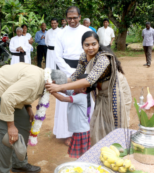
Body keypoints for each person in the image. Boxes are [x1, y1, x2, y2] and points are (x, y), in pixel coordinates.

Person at [0, 63, 67, 173]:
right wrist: (11, 126)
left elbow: (20, 91)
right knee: (4, 134)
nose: (57, 92)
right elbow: (8, 98)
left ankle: (19, 163)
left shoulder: (43, 77)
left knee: (25, 123)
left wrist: (28, 107)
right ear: (52, 82)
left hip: (6, 93)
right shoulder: (34, 81)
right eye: (58, 89)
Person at [46, 31, 132, 145]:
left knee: (116, 121)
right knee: (100, 121)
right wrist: (55, 82)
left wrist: (59, 87)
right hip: (101, 91)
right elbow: (75, 76)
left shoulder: (103, 58)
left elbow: (89, 80)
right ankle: (104, 148)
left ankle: (120, 148)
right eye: (87, 45)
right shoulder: (83, 56)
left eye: (94, 44)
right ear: (82, 45)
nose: (90, 48)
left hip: (116, 89)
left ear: (98, 44)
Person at [52, 6, 92, 146]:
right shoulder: (61, 33)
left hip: (85, 68)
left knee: (86, 101)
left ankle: (85, 132)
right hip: (66, 70)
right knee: (67, 104)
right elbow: (57, 56)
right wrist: (71, 72)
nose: (72, 20)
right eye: (69, 18)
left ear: (80, 17)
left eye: (75, 17)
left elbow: (92, 51)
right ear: (66, 18)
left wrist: (82, 71)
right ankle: (68, 134)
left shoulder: (87, 31)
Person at [52, 74, 95, 158]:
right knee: (81, 155)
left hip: (81, 131)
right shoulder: (75, 92)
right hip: (79, 130)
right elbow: (64, 91)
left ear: (83, 88)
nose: (73, 84)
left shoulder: (81, 97)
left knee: (81, 155)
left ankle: (82, 168)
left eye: (76, 83)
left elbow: (63, 99)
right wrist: (54, 86)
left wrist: (52, 91)